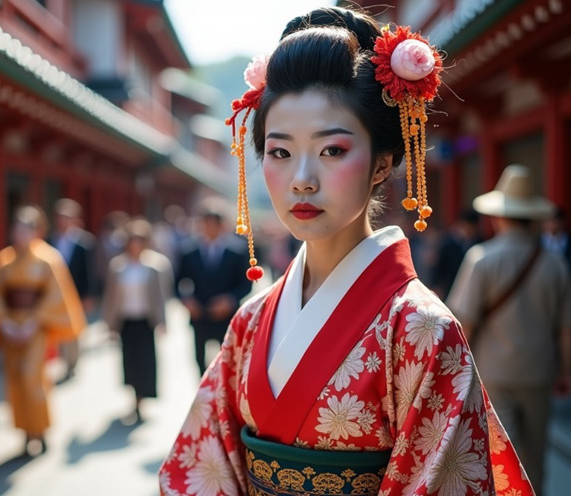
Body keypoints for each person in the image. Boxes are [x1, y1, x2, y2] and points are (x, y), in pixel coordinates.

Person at [159, 7, 533, 495]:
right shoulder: (249, 323)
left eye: (332, 149)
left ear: (382, 162)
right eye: (280, 152)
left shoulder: (422, 330)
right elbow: (199, 470)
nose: (302, 179)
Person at [447, 164, 571, 495]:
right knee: (534, 454)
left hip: (494, 373)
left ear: (498, 216)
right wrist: (565, 371)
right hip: (539, 371)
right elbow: (566, 328)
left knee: (502, 456)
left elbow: (465, 323)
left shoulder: (481, 259)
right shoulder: (555, 264)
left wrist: (456, 374)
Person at [0, 205, 86, 456]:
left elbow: (54, 296)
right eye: (17, 229)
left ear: (37, 231)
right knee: (15, 381)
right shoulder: (3, 259)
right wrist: (4, 323)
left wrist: (33, 321)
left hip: (35, 328)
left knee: (33, 378)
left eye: (25, 229)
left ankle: (40, 430)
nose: (20, 234)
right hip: (10, 327)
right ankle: (24, 432)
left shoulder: (48, 258)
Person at [103, 219, 173, 423]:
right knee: (129, 360)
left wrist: (163, 321)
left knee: (146, 360)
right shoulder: (118, 266)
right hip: (126, 319)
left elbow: (162, 296)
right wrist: (109, 323)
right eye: (131, 240)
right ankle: (134, 397)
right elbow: (110, 297)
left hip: (145, 320)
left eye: (139, 240)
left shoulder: (156, 265)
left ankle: (143, 398)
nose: (135, 245)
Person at [175, 200, 253, 376]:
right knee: (198, 359)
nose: (209, 228)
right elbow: (177, 281)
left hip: (225, 314)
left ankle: (223, 393)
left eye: (213, 224)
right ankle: (204, 392)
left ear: (222, 226)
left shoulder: (237, 250)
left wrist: (230, 300)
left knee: (227, 357)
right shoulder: (188, 251)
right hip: (198, 313)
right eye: (205, 224)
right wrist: (186, 300)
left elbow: (246, 284)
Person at [48, 198, 97, 381]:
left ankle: (73, 362)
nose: (63, 221)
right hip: (56, 294)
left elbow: (89, 271)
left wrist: (89, 295)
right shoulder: (50, 240)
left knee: (74, 330)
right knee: (60, 328)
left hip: (76, 292)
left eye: (66, 217)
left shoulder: (84, 242)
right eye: (60, 217)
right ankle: (63, 360)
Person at [432, 209, 481, 299]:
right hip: (452, 288)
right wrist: (437, 286)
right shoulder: (449, 244)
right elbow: (440, 267)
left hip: (474, 289)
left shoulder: (481, 243)